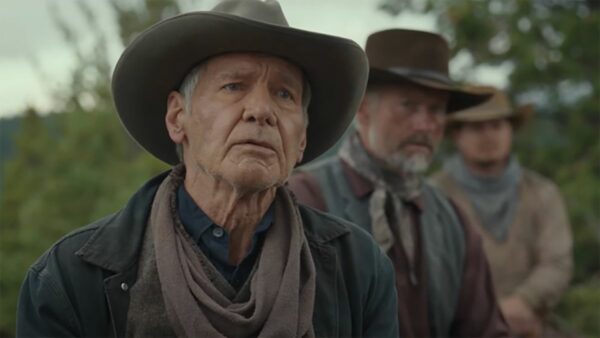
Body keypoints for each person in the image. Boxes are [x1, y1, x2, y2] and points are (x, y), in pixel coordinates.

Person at [16, 1, 399, 337]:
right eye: (234, 86)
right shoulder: (69, 281)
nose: (261, 111)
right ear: (177, 117)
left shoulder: (359, 270)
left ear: (301, 139)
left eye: (284, 94)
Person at [288, 28, 511, 338]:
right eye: (408, 105)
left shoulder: (452, 220)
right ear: (363, 108)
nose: (424, 124)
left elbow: (485, 329)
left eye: (435, 110)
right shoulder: (305, 198)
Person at [430, 86, 573, 338]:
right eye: (476, 128)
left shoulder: (542, 192)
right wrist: (482, 317)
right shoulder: (434, 195)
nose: (488, 136)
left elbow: (557, 262)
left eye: (496, 126)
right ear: (457, 135)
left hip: (529, 325)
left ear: (510, 130)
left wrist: (524, 301)